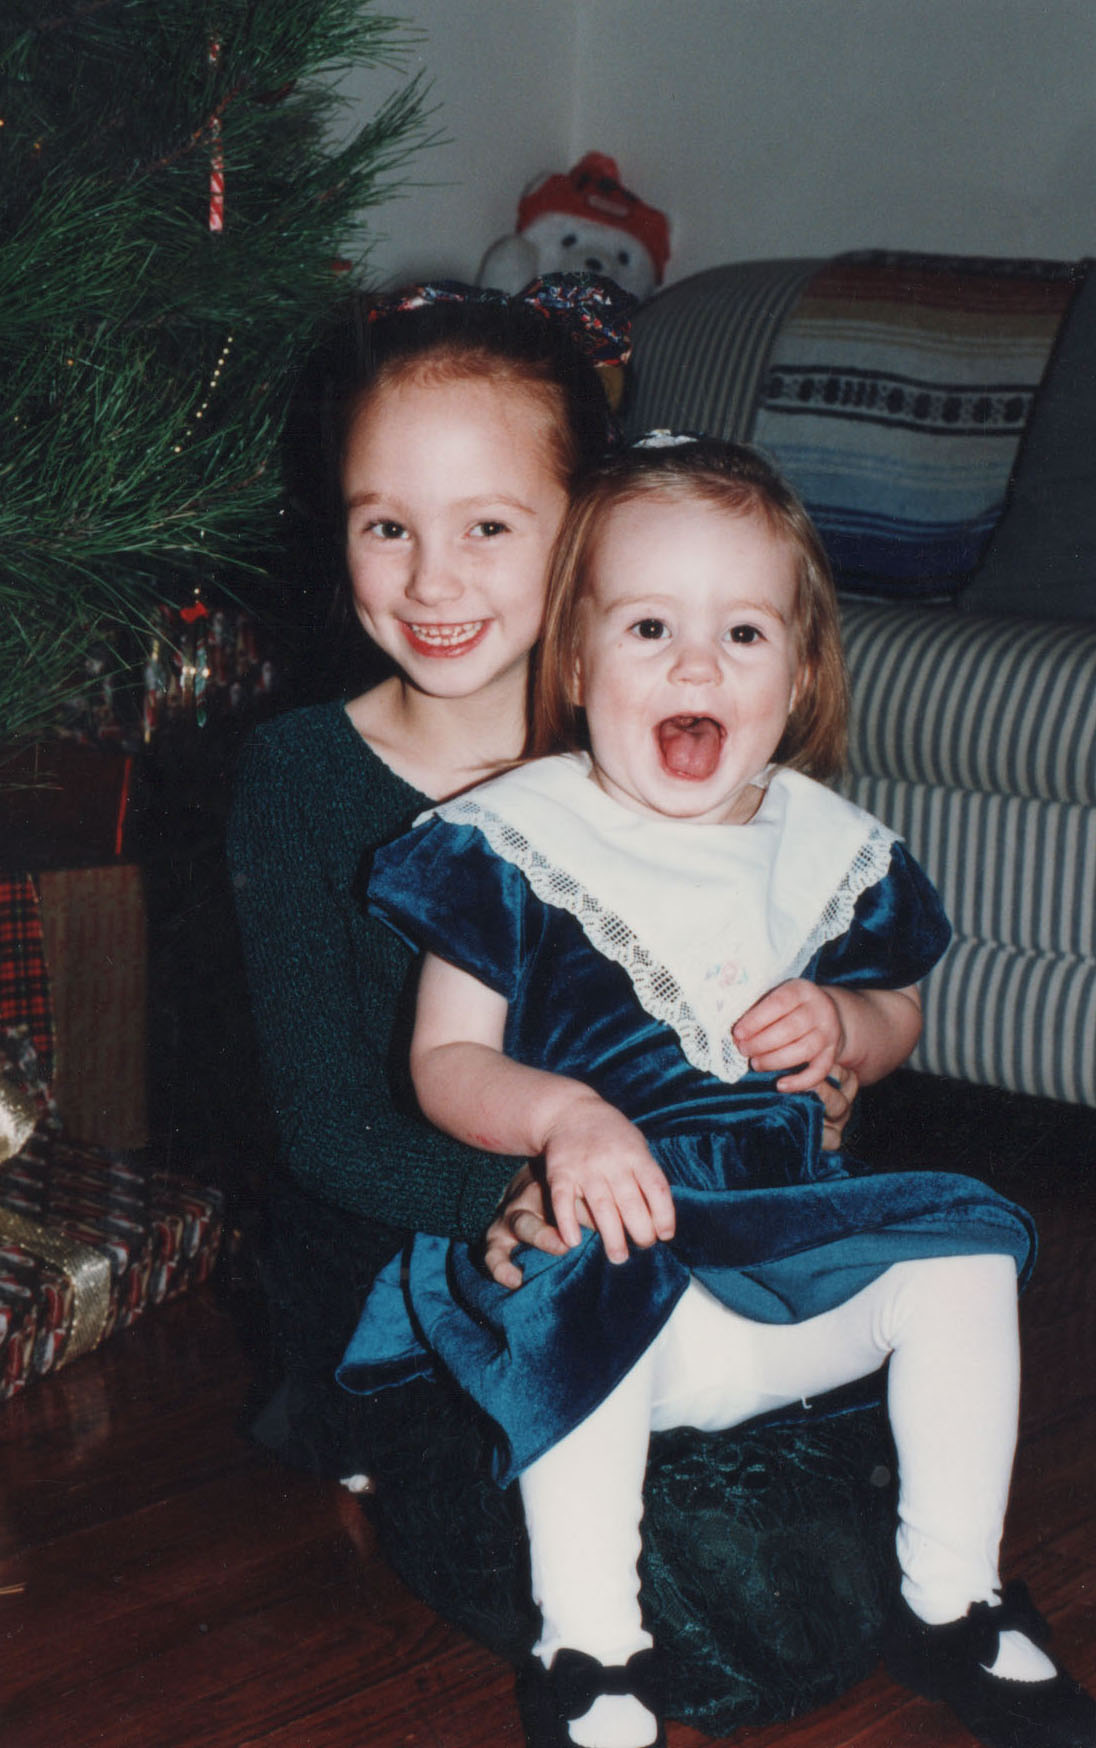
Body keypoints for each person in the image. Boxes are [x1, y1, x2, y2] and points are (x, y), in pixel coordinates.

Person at [339, 437, 1095, 1748]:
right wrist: (564, 1121)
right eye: (650, 628)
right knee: (584, 1265)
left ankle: (954, 1599)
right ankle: (593, 1652)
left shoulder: (825, 847)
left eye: (743, 633)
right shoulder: (515, 843)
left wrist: (853, 1024)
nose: (697, 667)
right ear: (578, 665)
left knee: (965, 1257)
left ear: (797, 677)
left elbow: (903, 1012)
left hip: (783, 1257)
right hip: (621, 1277)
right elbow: (444, 1061)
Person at [228, 285, 863, 1713]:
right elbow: (326, 1127)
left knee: (814, 1535)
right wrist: (510, 1195)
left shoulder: (669, 756)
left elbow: (751, 1014)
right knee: (694, 1606)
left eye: (488, 529)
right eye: (385, 525)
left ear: (585, 531)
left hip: (656, 1246)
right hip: (414, 1262)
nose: (429, 581)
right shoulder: (299, 779)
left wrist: (811, 1079)